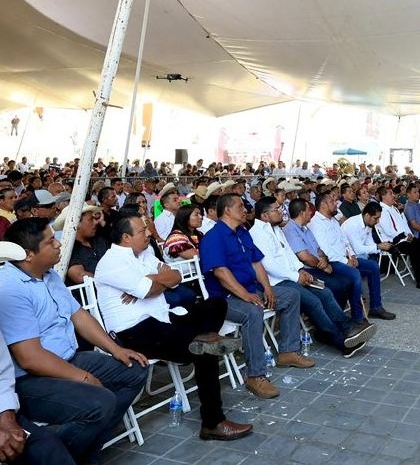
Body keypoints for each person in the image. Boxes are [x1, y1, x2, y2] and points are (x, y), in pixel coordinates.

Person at [0, 219, 149, 465]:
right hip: (31, 379)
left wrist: (116, 349)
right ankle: (63, 452)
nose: (59, 244)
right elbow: (31, 358)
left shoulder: (48, 274)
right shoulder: (10, 288)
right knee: (100, 402)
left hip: (69, 358)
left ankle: (76, 449)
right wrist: (83, 378)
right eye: (51, 241)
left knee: (134, 369)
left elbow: (79, 316)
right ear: (28, 255)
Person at [93, 213, 253, 441]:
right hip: (134, 331)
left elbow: (176, 276)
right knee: (204, 349)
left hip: (163, 319)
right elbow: (150, 289)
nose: (149, 233)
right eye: (142, 231)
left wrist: (149, 279)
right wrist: (155, 281)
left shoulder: (145, 253)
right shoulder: (111, 263)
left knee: (216, 304)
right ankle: (213, 422)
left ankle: (207, 336)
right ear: (126, 237)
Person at [199, 194, 314, 400]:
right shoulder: (213, 236)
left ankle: (288, 351)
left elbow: (256, 262)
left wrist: (267, 288)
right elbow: (221, 272)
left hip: (252, 289)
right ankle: (255, 375)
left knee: (290, 295)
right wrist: (246, 295)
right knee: (253, 311)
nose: (245, 210)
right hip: (225, 299)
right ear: (227, 210)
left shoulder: (242, 232)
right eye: (241, 206)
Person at [250, 198, 376, 358]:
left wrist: (301, 270)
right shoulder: (257, 233)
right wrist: (296, 276)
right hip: (279, 282)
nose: (281, 211)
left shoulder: (276, 229)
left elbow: (289, 254)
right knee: (314, 301)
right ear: (265, 216)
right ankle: (341, 341)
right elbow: (269, 265)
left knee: (325, 292)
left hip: (293, 275)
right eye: (276, 209)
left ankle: (349, 327)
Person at [309, 189, 396, 323]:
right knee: (354, 274)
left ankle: (376, 307)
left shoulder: (332, 220)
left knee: (372, 266)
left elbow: (345, 241)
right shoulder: (316, 223)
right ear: (323, 205)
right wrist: (346, 261)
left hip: (345, 259)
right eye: (332, 201)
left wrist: (352, 255)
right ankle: (357, 316)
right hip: (332, 262)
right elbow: (326, 251)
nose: (336, 204)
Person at [0, 323, 76, 464]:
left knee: (46, 447)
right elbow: (30, 359)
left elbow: (2, 371)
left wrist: (6, 419)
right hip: (28, 377)